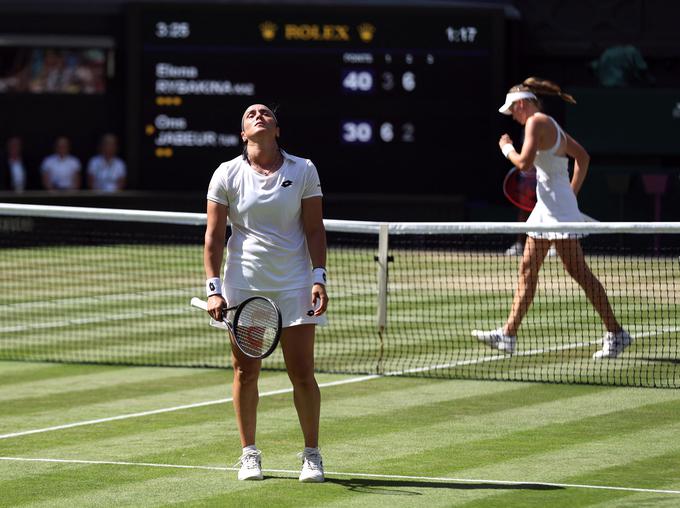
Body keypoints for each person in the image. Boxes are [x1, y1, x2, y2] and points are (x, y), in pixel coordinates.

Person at [203, 104, 328, 482]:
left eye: (265, 114)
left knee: (302, 373)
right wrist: (214, 289)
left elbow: (315, 229)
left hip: (295, 285)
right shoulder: (226, 173)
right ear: (244, 133)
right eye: (250, 114)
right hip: (244, 286)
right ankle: (249, 454)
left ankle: (312, 456)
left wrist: (319, 276)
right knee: (245, 371)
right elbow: (213, 236)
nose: (259, 115)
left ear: (277, 129)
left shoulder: (303, 169)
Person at [472, 77, 632, 360]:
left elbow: (522, 163)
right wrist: (570, 194)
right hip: (549, 208)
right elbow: (582, 157)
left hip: (556, 210)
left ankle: (616, 333)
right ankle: (508, 334)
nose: (515, 118)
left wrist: (506, 147)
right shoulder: (549, 124)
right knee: (527, 268)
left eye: (514, 112)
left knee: (578, 272)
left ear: (521, 104)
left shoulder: (536, 122)